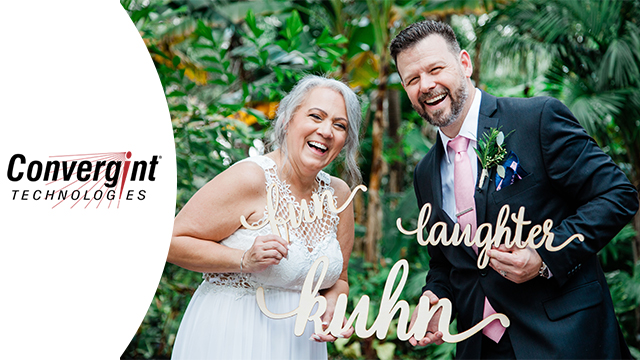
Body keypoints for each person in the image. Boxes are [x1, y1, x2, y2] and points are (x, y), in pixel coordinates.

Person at [390, 20, 639, 359]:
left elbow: (617, 194)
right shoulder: (425, 173)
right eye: (413, 79)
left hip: (565, 338)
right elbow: (445, 261)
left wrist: (544, 257)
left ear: (464, 63)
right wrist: (436, 296)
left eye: (435, 69)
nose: (427, 85)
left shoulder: (536, 119)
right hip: (479, 347)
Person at [168, 75, 361, 359]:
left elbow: (339, 279)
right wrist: (243, 259)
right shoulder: (252, 177)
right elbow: (171, 241)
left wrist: (333, 304)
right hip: (233, 336)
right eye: (315, 116)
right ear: (287, 119)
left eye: (339, 125)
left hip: (301, 346)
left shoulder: (338, 195)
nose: (326, 131)